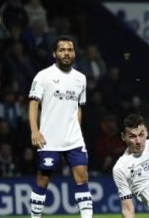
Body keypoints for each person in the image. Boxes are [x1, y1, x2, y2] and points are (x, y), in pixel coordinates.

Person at [28, 36, 93, 218]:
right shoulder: (43, 76)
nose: (66, 53)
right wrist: (35, 131)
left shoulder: (81, 79)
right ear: (54, 53)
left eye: (70, 50)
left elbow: (78, 107)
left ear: (74, 53)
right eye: (62, 50)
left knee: (82, 177)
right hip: (49, 139)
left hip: (73, 139)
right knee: (43, 179)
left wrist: (77, 130)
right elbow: (33, 104)